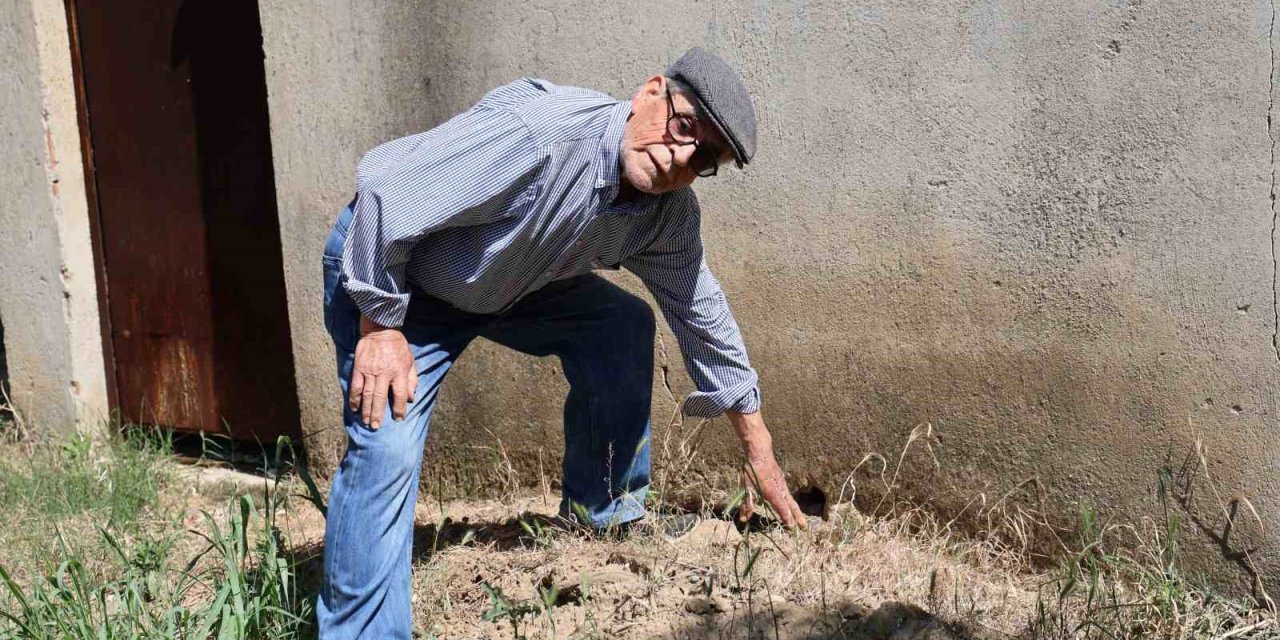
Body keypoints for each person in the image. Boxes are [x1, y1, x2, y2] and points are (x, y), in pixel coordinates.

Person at [317, 47, 806, 638]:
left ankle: (603, 516)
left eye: (703, 158)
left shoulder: (666, 215)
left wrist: (757, 444)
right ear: (651, 92)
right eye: (683, 127)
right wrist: (380, 326)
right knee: (386, 446)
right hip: (395, 276)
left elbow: (701, 312)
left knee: (618, 325)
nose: (680, 156)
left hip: (502, 281)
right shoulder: (541, 134)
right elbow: (386, 194)